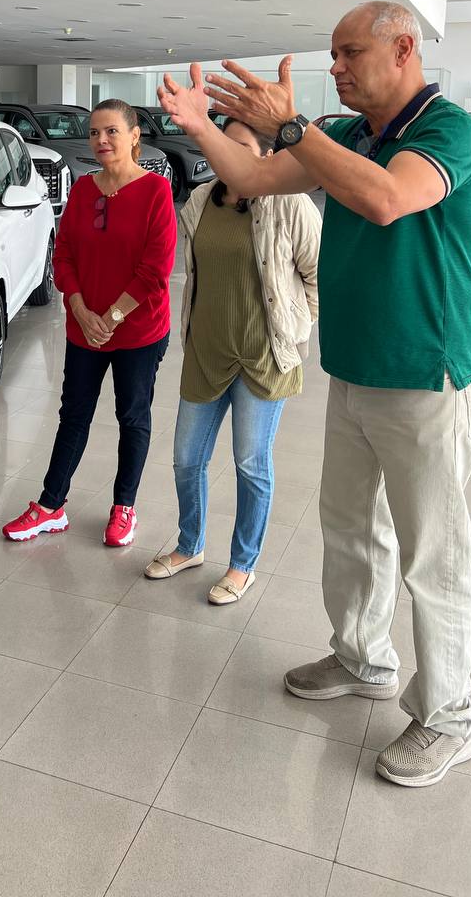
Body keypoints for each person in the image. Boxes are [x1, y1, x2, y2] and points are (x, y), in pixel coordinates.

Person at [158, 2, 471, 788]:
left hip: (428, 374)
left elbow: (386, 199)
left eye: (349, 53)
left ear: (403, 49)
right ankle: (362, 657)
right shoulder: (346, 135)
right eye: (332, 54)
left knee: (433, 557)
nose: (335, 67)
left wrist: (292, 126)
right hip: (356, 369)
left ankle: (449, 716)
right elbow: (251, 177)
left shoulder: (449, 131)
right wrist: (201, 127)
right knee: (350, 531)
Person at [144, 119, 320, 603]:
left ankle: (243, 564)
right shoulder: (200, 201)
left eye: (240, 147)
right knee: (186, 459)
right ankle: (190, 545)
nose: (227, 155)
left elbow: (317, 276)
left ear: (266, 155)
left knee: (250, 463)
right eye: (221, 145)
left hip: (264, 358)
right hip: (207, 352)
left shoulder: (290, 204)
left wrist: (294, 328)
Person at [2, 99, 177, 546]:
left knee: (132, 416)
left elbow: (155, 271)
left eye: (111, 131)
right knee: (73, 414)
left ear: (134, 136)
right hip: (84, 328)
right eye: (95, 132)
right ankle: (50, 506)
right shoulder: (83, 190)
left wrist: (112, 318)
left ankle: (124, 507)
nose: (101, 140)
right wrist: (80, 311)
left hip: (138, 331)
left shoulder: (156, 191)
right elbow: (63, 255)